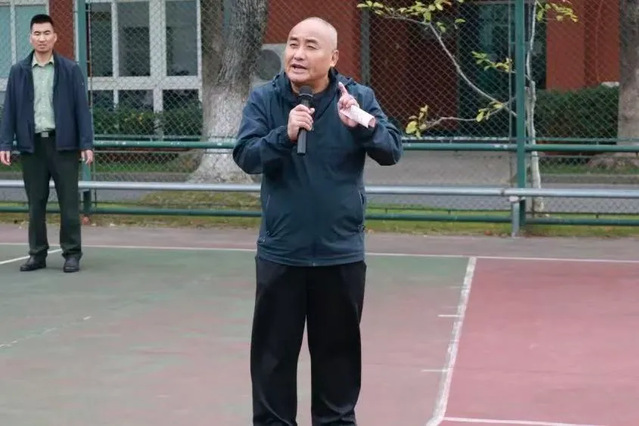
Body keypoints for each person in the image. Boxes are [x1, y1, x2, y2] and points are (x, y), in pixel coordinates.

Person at [233, 17, 403, 426]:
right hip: (282, 253)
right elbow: (247, 156)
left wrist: (362, 124)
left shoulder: (357, 97)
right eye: (293, 44)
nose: (297, 54)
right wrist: (285, 135)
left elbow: (391, 149)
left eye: (311, 46)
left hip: (339, 254)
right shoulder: (265, 99)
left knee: (337, 361)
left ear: (333, 57)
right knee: (272, 360)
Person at [0, 14, 94, 273]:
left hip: (63, 146)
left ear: (55, 37)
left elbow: (81, 109)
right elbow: (9, 109)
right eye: (37, 33)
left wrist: (86, 143)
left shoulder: (70, 69)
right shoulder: (18, 71)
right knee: (35, 204)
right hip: (32, 147)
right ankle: (37, 254)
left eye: (46, 33)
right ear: (30, 38)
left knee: (69, 203)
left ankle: (72, 253)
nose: (42, 38)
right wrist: (5, 143)